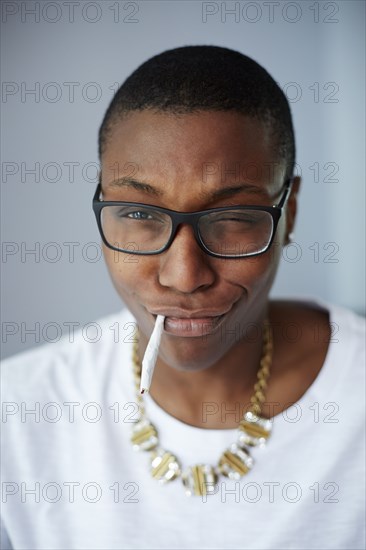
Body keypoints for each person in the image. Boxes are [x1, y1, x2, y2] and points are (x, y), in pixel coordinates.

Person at [1, 45, 365, 550]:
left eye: (234, 217)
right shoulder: (18, 412)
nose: (183, 275)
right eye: (139, 215)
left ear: (291, 214)